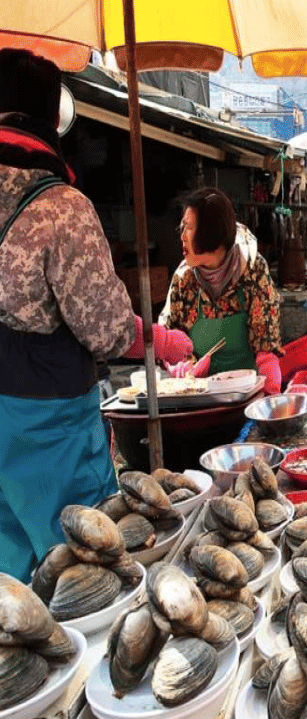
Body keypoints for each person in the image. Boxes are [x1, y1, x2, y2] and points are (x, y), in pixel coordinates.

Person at [0, 50, 193, 581]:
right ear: (51, 119)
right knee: (90, 568)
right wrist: (158, 338)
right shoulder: (61, 208)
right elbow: (108, 331)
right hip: (50, 434)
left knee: (11, 587)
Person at [163, 188, 283, 393]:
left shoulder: (252, 270)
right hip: (200, 396)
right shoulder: (184, 279)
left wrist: (270, 395)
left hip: (247, 394)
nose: (182, 236)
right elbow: (169, 340)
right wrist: (182, 365)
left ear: (211, 232)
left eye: (189, 228)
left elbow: (266, 346)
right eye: (182, 228)